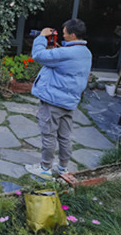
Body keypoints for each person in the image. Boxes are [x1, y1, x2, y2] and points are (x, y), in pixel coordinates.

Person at [24, 19, 92, 180]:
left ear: (73, 35)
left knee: (48, 134)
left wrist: (41, 37)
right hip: (68, 102)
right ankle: (63, 167)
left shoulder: (66, 53)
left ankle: (45, 168)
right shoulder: (85, 52)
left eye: (64, 32)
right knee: (64, 136)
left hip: (53, 101)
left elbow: (38, 55)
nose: (63, 34)